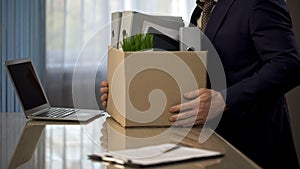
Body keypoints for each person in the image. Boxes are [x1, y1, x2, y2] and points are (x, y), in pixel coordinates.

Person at [100, 0, 300, 168]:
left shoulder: (257, 2)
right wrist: (125, 91)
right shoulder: (201, 10)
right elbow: (197, 71)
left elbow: (289, 64)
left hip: (253, 147)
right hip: (208, 146)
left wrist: (225, 100)